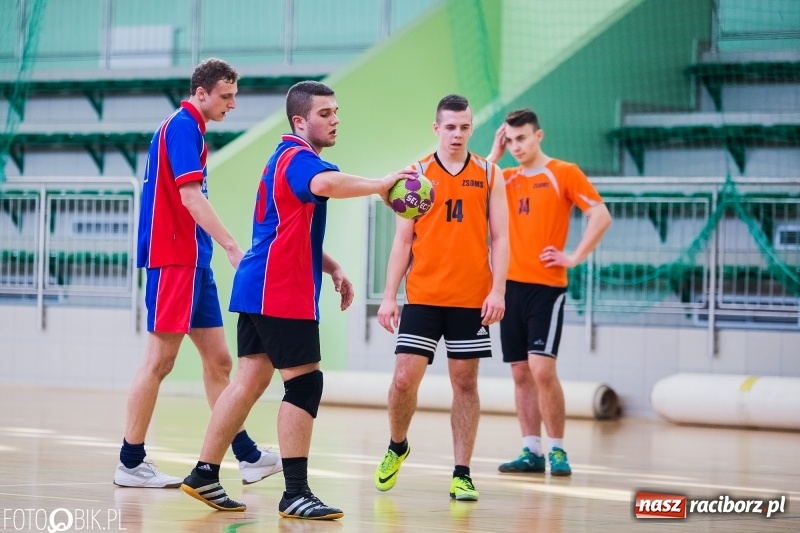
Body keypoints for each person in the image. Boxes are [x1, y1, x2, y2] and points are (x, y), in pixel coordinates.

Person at [180, 80, 416, 519]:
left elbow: (287, 229)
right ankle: (295, 492)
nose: (335, 120)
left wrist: (332, 267)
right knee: (304, 384)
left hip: (258, 285)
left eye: (336, 112)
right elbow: (326, 183)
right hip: (281, 291)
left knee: (248, 382)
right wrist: (380, 184)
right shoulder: (298, 159)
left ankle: (204, 474)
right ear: (299, 121)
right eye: (325, 113)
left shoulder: (283, 159)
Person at [114, 58, 282, 489]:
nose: (232, 104)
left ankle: (247, 457)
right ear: (201, 93)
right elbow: (190, 197)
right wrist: (231, 245)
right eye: (226, 96)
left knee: (219, 361)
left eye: (234, 96)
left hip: (194, 261)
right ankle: (130, 462)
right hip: (174, 258)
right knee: (159, 360)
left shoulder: (192, 130)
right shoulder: (183, 126)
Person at [374, 94, 509, 502]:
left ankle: (462, 473)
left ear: (471, 128)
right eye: (450, 127)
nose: (457, 134)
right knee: (403, 380)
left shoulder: (490, 173)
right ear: (437, 128)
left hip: (471, 300)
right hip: (423, 297)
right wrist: (388, 296)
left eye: (464, 127)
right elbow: (403, 240)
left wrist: (498, 290)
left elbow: (501, 238)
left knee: (465, 383)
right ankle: (397, 444)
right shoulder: (416, 174)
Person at [486, 108, 611, 476]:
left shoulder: (563, 172)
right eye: (510, 140)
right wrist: (493, 154)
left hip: (546, 288)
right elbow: (474, 187)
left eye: (521, 138)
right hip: (508, 288)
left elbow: (600, 214)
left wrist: (574, 257)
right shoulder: (504, 177)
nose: (516, 146)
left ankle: (557, 449)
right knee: (520, 372)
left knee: (541, 369)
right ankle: (531, 450)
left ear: (538, 136)